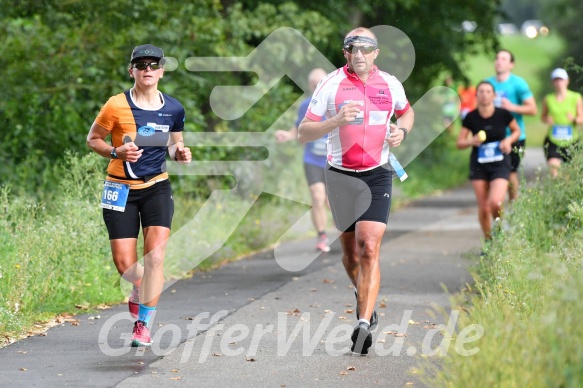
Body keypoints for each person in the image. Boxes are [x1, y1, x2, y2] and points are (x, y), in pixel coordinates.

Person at [298, 27, 414, 354]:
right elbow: (304, 133)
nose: (359, 54)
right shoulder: (330, 84)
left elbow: (407, 113)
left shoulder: (390, 84)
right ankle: (366, 298)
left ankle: (363, 323)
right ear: (345, 52)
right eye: (353, 48)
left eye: (366, 48)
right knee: (350, 255)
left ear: (376, 52)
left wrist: (401, 131)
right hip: (340, 176)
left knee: (369, 247)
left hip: (377, 174)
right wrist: (334, 121)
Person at [86, 44, 192, 347]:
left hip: (157, 186)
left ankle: (143, 324)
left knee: (156, 256)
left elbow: (173, 145)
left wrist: (180, 153)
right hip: (119, 188)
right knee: (125, 265)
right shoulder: (116, 105)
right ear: (131, 70)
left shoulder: (173, 108)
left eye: (153, 65)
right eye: (141, 65)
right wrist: (116, 150)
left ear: (161, 70)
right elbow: (93, 139)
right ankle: (140, 285)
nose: (147, 70)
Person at [275, 68, 331, 253]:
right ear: (309, 85)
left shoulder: (336, 104)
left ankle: (350, 233)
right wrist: (287, 135)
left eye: (320, 83)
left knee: (332, 203)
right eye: (314, 83)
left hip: (334, 161)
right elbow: (297, 130)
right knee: (317, 196)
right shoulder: (305, 106)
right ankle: (322, 236)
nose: (317, 86)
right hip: (312, 160)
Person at [456, 81, 520, 241]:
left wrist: (508, 141)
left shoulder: (503, 114)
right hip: (479, 165)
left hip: (500, 163)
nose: (484, 95)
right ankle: (488, 240)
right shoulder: (471, 117)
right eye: (481, 92)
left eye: (488, 91)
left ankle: (498, 229)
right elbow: (459, 143)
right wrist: (472, 141)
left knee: (496, 202)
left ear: (494, 95)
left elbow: (516, 130)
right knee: (484, 208)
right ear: (476, 95)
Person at [486, 50, 537, 201]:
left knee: (510, 173)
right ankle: (496, 207)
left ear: (511, 64)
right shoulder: (488, 84)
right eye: (497, 58)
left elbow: (533, 109)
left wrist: (512, 107)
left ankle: (514, 204)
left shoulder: (518, 83)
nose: (499, 61)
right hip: (492, 136)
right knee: (493, 174)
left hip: (514, 135)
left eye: (503, 59)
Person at [541, 68, 583, 177]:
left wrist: (573, 119)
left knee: (570, 174)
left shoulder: (575, 97)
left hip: (571, 140)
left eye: (561, 80)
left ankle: (565, 191)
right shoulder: (548, 99)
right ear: (552, 82)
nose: (559, 82)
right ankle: (557, 186)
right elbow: (543, 117)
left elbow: (581, 119)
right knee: (554, 169)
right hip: (553, 139)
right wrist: (547, 119)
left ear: (567, 81)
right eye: (556, 80)